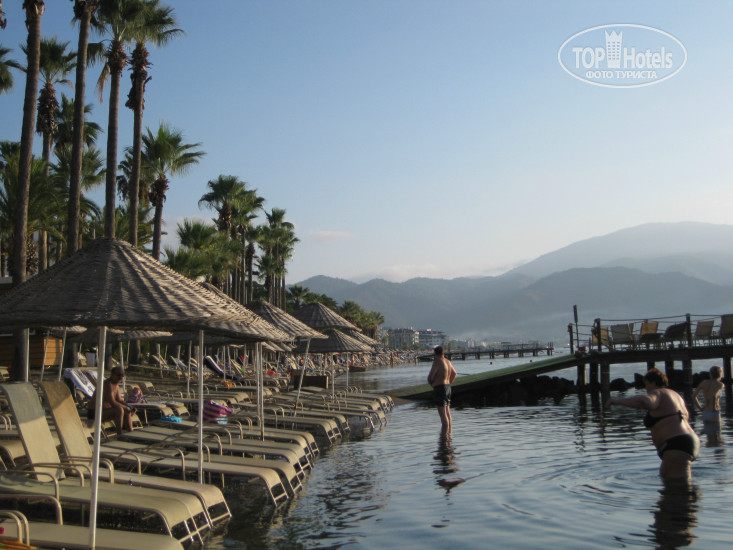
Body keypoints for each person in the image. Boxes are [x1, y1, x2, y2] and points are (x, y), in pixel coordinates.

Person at [606, 368, 699, 479]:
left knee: (679, 486)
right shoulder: (676, 396)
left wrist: (617, 401)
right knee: (665, 478)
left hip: (677, 445)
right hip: (687, 441)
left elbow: (647, 402)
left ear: (653, 383)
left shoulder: (657, 393)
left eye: (646, 384)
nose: (646, 388)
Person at [86, 365, 136, 436]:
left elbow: (119, 400)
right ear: (112, 374)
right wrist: (126, 407)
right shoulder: (107, 384)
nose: (120, 377)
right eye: (118, 375)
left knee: (127, 410)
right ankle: (120, 435)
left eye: (122, 375)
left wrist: (129, 407)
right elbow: (112, 402)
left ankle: (131, 433)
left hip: (105, 412)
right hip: (94, 413)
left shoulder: (116, 385)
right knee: (119, 409)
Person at [427, 346, 457, 433]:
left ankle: (444, 436)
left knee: (443, 414)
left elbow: (430, 377)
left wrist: (433, 385)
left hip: (440, 388)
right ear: (443, 353)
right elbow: (454, 373)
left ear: (435, 354)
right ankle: (449, 434)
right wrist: (449, 383)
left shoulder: (437, 362)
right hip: (448, 387)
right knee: (448, 412)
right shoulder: (448, 361)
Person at [693, 365, 724, 444]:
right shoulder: (720, 384)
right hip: (714, 413)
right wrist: (714, 407)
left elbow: (694, 396)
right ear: (720, 374)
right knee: (717, 437)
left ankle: (702, 441)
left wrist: (700, 408)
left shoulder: (704, 382)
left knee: (709, 437)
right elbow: (714, 395)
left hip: (705, 413)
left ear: (711, 374)